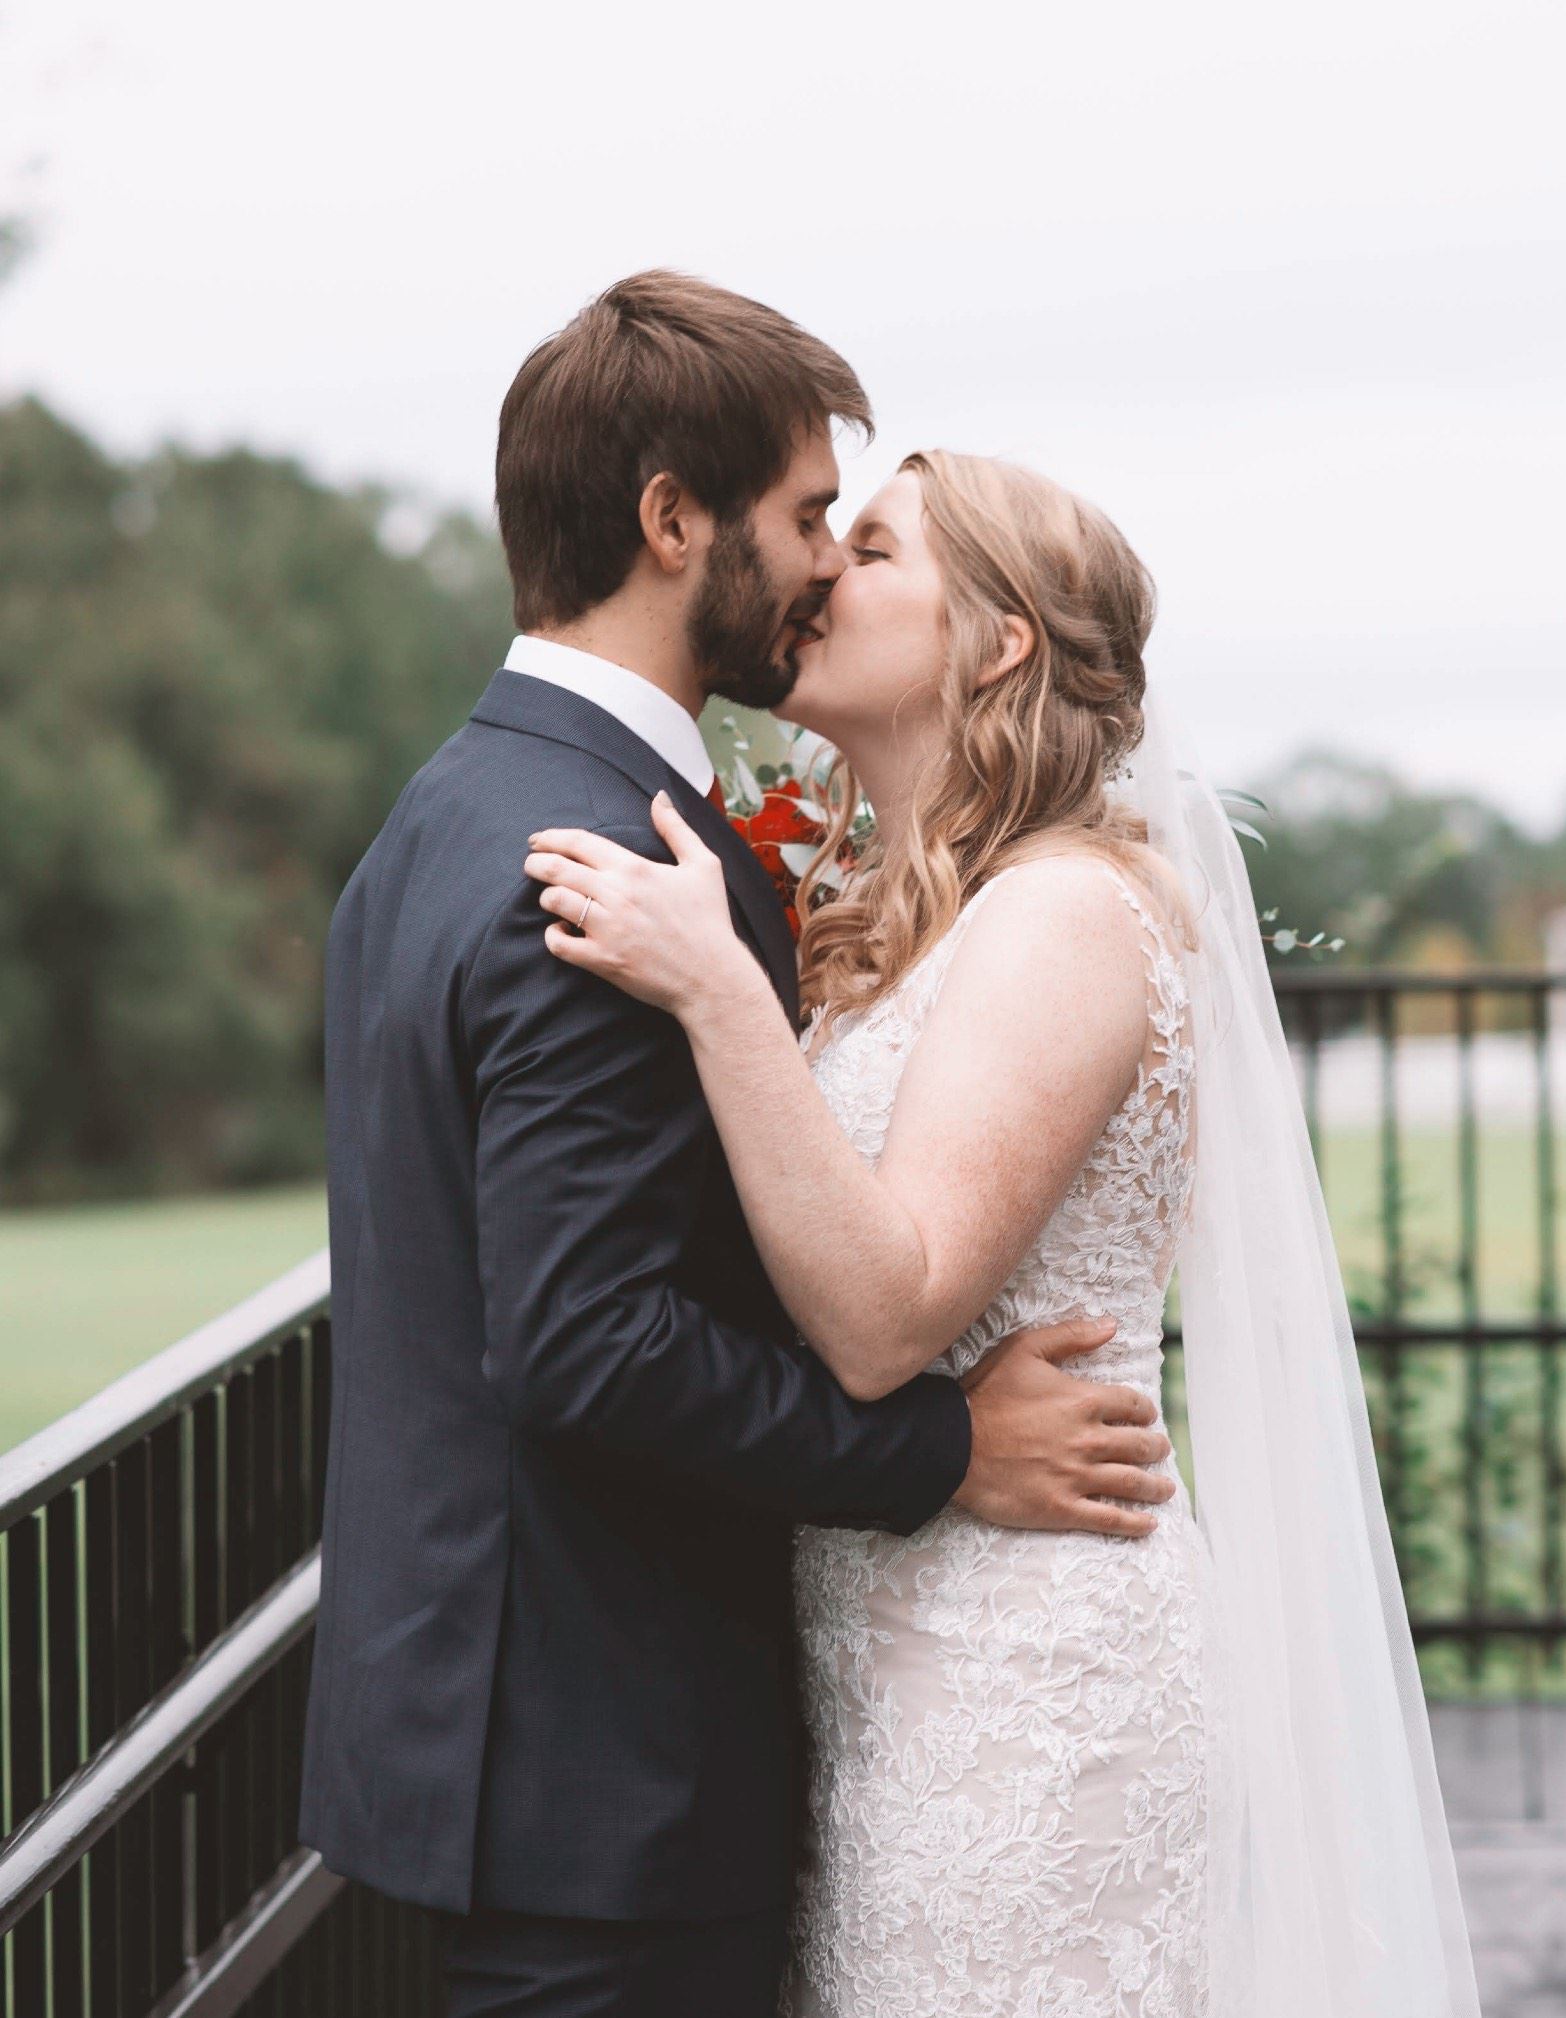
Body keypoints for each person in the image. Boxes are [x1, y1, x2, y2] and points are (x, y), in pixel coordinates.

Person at [298, 274, 1176, 2018]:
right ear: (669, 520)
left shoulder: (454, 811)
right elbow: (584, 1337)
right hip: (599, 1769)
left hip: (575, 1738)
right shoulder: (601, 861)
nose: (818, 566)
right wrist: (939, 1451)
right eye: (799, 520)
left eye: (857, 539)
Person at [525, 448, 1483, 2014]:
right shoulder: (908, 909)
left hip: (1029, 1680)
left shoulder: (1065, 916)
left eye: (875, 546)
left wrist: (708, 985)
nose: (821, 572)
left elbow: (885, 1311)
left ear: (1001, 639)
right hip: (887, 1656)